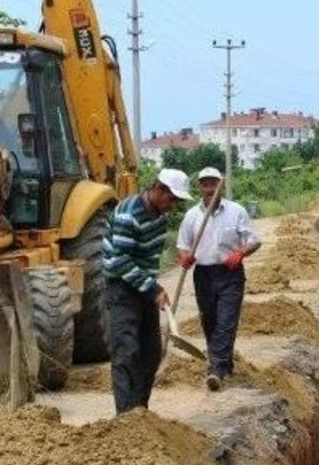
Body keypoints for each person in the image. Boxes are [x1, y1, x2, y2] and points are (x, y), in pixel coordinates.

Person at [103, 168, 191, 413]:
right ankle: (125, 416)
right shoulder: (128, 215)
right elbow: (119, 261)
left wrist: (153, 289)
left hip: (143, 286)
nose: (172, 205)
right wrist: (153, 289)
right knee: (126, 351)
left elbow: (150, 258)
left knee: (151, 352)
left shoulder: (160, 218)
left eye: (177, 201)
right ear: (157, 189)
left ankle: (140, 410)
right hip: (121, 287)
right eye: (171, 198)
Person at [177, 167, 262, 391]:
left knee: (226, 320)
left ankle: (216, 369)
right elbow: (183, 247)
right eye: (205, 184)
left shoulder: (236, 211)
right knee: (210, 321)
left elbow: (254, 240)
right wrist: (185, 258)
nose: (209, 188)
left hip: (230, 273)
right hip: (203, 275)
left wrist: (241, 252)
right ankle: (224, 362)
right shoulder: (191, 216)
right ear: (199, 187)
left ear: (220, 186)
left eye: (213, 183)